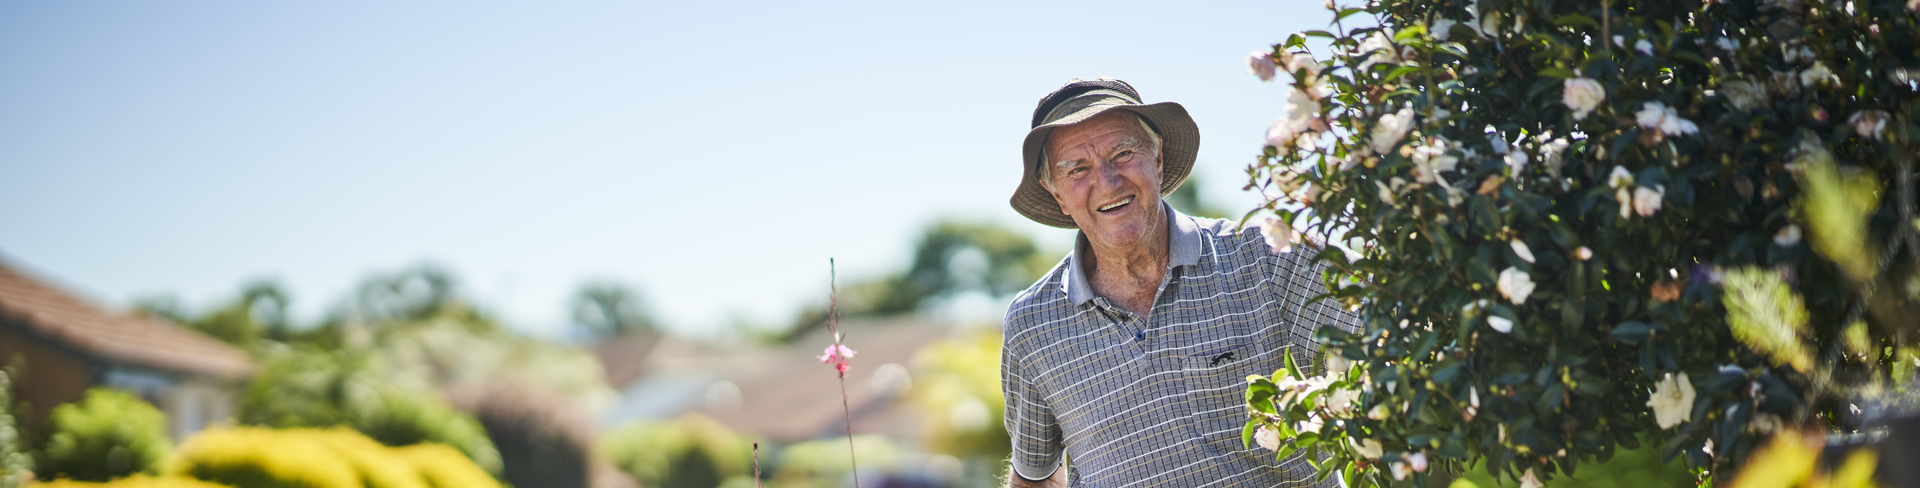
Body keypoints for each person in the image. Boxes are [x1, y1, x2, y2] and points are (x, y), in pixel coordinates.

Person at [1000, 78, 1356, 487]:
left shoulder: (1268, 256)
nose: (1108, 180)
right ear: (1057, 194)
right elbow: (1035, 476)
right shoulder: (1032, 325)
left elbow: (1393, 329)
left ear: (1158, 158)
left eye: (1123, 153)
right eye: (1077, 169)